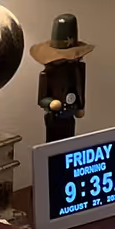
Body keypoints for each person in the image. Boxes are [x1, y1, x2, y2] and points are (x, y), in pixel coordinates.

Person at [32, 13, 95, 143]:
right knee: (53, 144)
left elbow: (80, 89)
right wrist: (50, 103)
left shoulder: (78, 71)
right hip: (54, 118)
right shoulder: (47, 75)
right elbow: (41, 99)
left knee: (69, 143)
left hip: (69, 117)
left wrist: (80, 107)